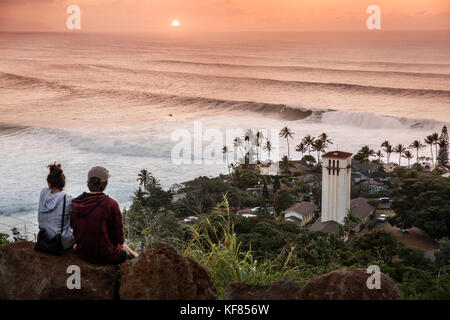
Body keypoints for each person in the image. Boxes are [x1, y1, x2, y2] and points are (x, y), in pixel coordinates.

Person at [71, 166, 138, 264]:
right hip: (106, 256)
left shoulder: (76, 203)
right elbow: (119, 238)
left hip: (83, 253)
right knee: (123, 250)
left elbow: (73, 228)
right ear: (105, 184)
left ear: (88, 183)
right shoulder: (111, 204)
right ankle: (136, 255)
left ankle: (135, 254)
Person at [38, 163, 74, 250]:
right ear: (63, 183)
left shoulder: (43, 193)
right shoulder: (67, 199)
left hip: (43, 239)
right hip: (60, 242)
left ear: (48, 182)